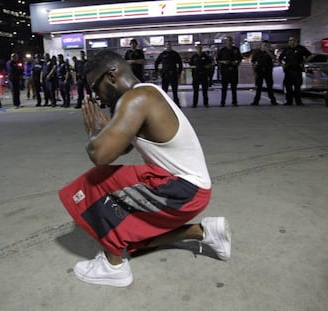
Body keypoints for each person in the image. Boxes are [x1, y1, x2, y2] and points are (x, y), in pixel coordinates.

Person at [58, 50, 231, 287]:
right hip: (191, 191)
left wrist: (94, 133)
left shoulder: (137, 99)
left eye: (94, 88)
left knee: (95, 181)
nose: (96, 97)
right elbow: (123, 148)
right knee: (133, 241)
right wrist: (108, 131)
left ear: (111, 76)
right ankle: (205, 232)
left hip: (182, 189)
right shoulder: (146, 92)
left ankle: (113, 266)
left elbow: (100, 156)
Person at [278, 36, 312, 106]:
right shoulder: (286, 49)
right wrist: (282, 64)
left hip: (297, 70)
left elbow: (310, 55)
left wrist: (303, 62)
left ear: (296, 41)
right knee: (288, 87)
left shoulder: (301, 48)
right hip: (288, 71)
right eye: (290, 40)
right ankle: (289, 101)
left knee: (297, 87)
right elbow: (280, 58)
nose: (291, 42)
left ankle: (298, 101)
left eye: (293, 40)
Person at [154, 41, 183, 106]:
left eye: (169, 44)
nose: (168, 45)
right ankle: (164, 104)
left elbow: (180, 63)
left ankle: (176, 104)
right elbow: (156, 63)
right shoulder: (162, 54)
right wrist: (157, 71)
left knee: (175, 90)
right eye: (167, 44)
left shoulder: (175, 54)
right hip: (165, 75)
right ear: (165, 46)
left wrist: (179, 72)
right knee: (164, 91)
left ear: (171, 45)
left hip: (174, 74)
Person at [217, 36, 243, 107]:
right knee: (224, 88)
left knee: (234, 88)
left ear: (232, 41)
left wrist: (236, 63)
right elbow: (218, 60)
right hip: (225, 71)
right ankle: (222, 102)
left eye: (230, 40)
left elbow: (240, 59)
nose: (229, 42)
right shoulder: (222, 50)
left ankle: (234, 102)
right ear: (226, 42)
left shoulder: (236, 50)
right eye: (228, 40)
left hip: (234, 71)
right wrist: (224, 62)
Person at [250, 40, 278, 106]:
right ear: (261, 45)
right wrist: (254, 72)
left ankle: (273, 101)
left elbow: (274, 58)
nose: (265, 46)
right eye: (264, 45)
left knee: (269, 87)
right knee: (259, 87)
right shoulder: (257, 53)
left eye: (266, 45)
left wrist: (267, 51)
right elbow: (253, 62)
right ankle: (256, 101)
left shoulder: (270, 52)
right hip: (259, 71)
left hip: (268, 71)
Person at [189, 43, 212, 108]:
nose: (199, 49)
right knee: (195, 91)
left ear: (201, 48)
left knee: (205, 90)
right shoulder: (194, 56)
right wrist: (196, 67)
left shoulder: (205, 55)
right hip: (196, 76)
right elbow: (190, 65)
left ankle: (206, 103)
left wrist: (206, 66)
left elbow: (210, 64)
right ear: (196, 48)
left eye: (200, 47)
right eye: (198, 48)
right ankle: (194, 104)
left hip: (204, 75)